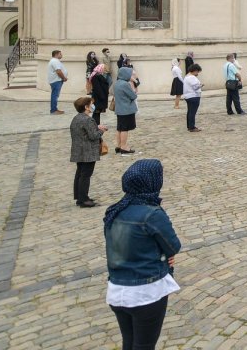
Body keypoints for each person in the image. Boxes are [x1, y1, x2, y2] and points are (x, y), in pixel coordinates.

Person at [104, 159, 181, 350]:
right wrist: (164, 255)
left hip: (117, 289)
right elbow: (173, 245)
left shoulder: (115, 211)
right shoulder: (152, 214)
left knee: (129, 342)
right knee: (144, 345)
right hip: (145, 291)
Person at [69, 96, 106, 207]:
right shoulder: (88, 119)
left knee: (79, 173)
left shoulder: (76, 118)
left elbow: (84, 131)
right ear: (86, 107)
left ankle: (80, 197)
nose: (92, 106)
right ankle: (84, 199)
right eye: (91, 104)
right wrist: (101, 130)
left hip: (78, 150)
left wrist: (96, 127)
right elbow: (94, 136)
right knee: (85, 175)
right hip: (88, 151)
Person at [113, 66, 139, 154]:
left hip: (119, 109)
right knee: (125, 129)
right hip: (126, 109)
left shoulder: (117, 83)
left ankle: (119, 145)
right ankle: (124, 147)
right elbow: (133, 96)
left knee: (119, 128)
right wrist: (134, 87)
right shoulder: (125, 84)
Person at [182, 63, 203, 132]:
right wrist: (201, 85)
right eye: (197, 71)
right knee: (192, 112)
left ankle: (189, 126)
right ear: (195, 70)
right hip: (193, 96)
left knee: (190, 112)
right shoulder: (192, 77)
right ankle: (192, 127)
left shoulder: (187, 76)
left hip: (188, 96)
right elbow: (195, 87)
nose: (198, 73)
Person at [47, 49, 68, 115]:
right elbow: (58, 71)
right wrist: (63, 78)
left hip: (56, 80)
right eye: (60, 54)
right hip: (56, 80)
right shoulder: (55, 61)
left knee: (55, 95)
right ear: (56, 54)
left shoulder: (55, 61)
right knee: (55, 95)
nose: (61, 55)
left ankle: (54, 109)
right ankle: (53, 110)